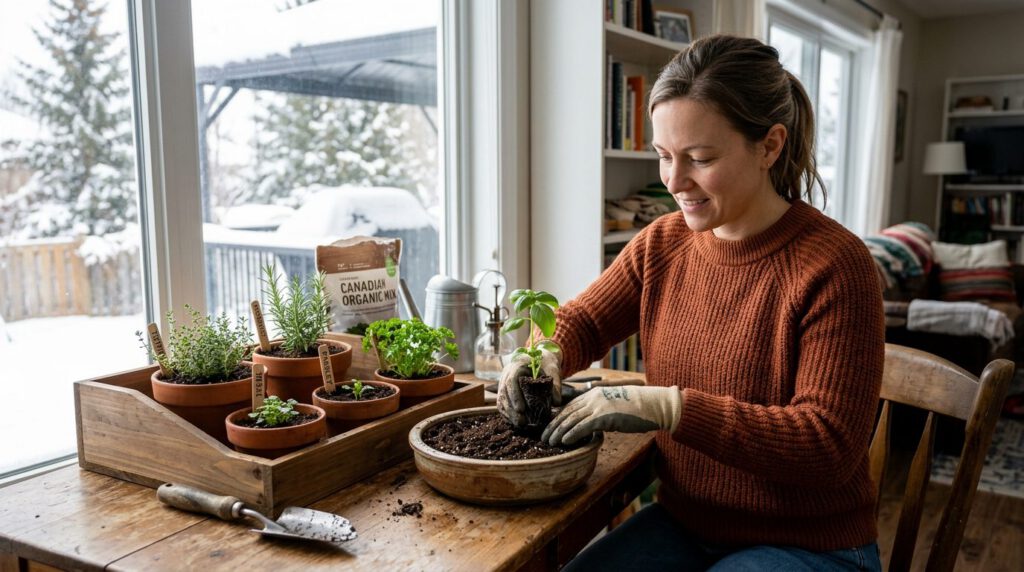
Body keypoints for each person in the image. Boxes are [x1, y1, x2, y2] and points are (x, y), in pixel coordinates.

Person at [498, 34, 885, 571]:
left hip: (811, 546)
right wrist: (539, 354)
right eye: (663, 156)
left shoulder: (836, 265)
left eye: (700, 158)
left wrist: (672, 407)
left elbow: (827, 446)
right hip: (685, 522)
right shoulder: (663, 242)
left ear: (769, 146)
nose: (675, 182)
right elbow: (583, 319)